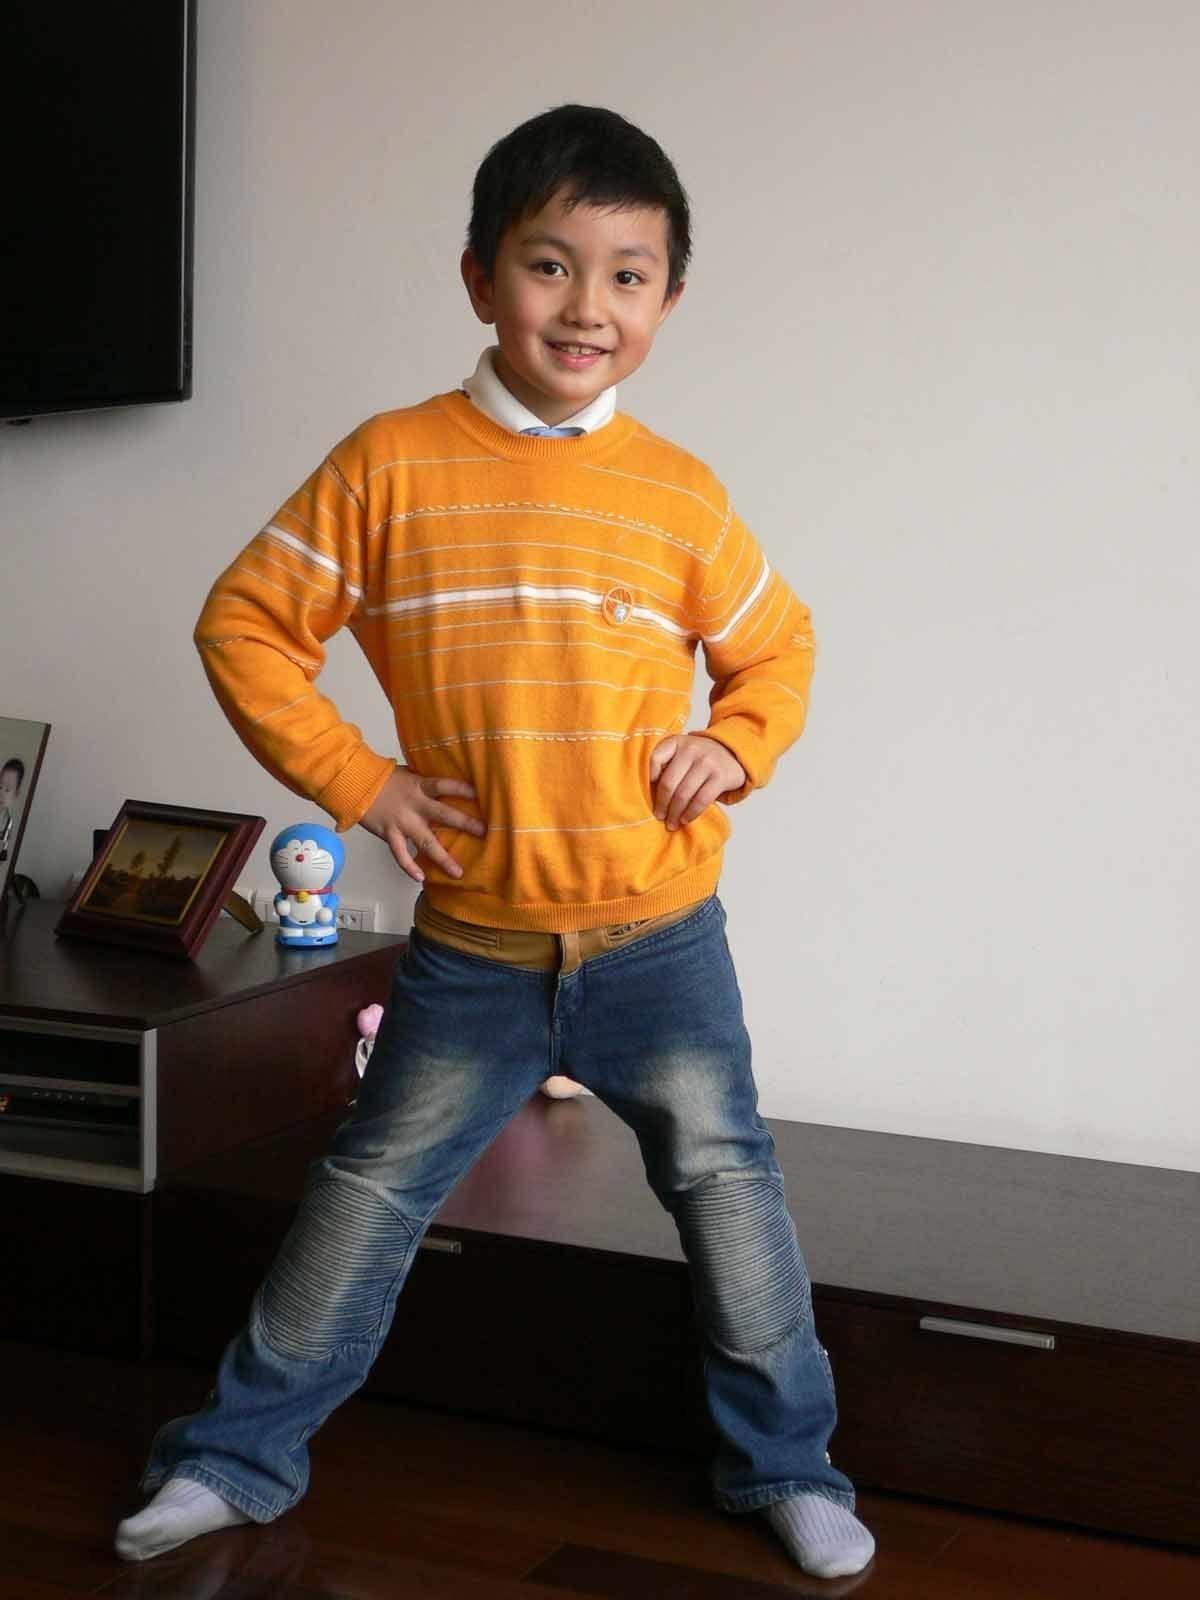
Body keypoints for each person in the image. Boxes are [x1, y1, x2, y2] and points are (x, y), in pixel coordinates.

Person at [115, 105, 876, 1581]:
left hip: (659, 937)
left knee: (730, 1193)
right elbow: (246, 624)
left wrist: (737, 741)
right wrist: (361, 780)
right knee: (365, 1196)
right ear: (479, 276)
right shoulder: (390, 464)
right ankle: (234, 1455)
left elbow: (777, 646)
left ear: (667, 299)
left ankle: (790, 1465)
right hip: (471, 952)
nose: (587, 306)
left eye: (628, 276)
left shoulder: (678, 492)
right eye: (549, 265)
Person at [0, 757, 25, 862]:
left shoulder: (8, 823)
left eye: (7, 790)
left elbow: (3, 854)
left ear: (16, 794)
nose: (1, 793)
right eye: (0, 787)